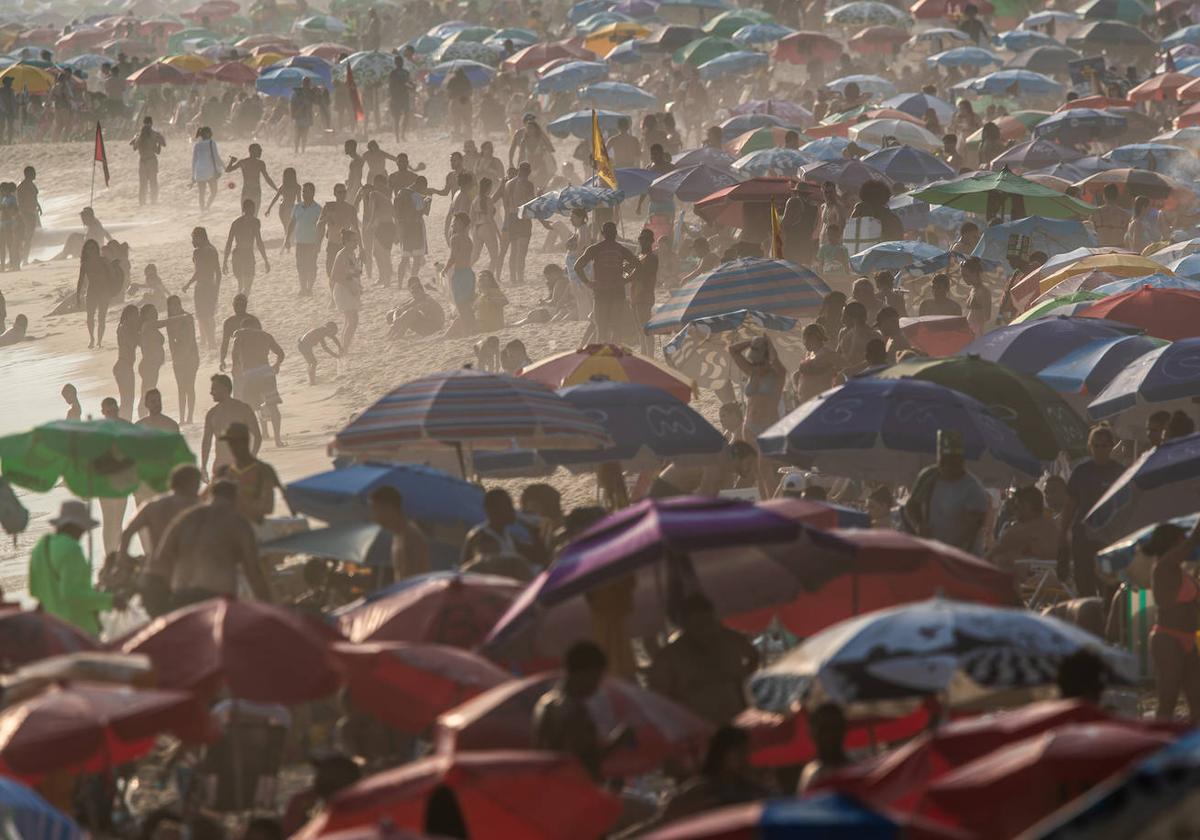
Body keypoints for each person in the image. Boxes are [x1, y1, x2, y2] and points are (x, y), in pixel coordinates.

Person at [152, 478, 271, 607]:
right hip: (217, 598)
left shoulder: (186, 517)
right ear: (235, 498)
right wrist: (269, 606)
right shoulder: (237, 522)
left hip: (181, 595)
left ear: (211, 495)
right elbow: (253, 571)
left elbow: (161, 556)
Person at [648, 594, 759, 725]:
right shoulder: (670, 657)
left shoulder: (732, 640)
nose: (705, 630)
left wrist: (742, 677)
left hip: (739, 726)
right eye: (698, 624)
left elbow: (755, 658)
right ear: (686, 625)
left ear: (714, 618)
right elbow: (658, 698)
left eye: (708, 621)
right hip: (697, 731)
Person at [533, 640, 630, 781]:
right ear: (582, 673)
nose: (597, 685)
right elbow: (587, 759)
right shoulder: (574, 711)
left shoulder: (545, 702)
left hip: (549, 784)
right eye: (595, 677)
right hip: (571, 788)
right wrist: (619, 739)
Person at [120, 465, 203, 616]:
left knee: (158, 626)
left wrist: (125, 558)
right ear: (190, 484)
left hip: (154, 576)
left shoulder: (152, 505)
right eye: (197, 485)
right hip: (186, 579)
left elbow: (127, 533)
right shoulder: (197, 506)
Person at [28, 500, 116, 635]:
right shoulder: (72, 549)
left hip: (50, 628)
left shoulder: (41, 547)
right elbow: (73, 595)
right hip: (78, 629)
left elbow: (33, 590)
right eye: (82, 529)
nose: (83, 533)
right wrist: (110, 600)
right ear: (75, 527)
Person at [1143, 521, 1200, 721]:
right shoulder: (1164, 566)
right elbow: (1194, 539)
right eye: (1181, 539)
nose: (1186, 542)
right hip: (1168, 639)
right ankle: (1160, 745)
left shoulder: (1179, 571)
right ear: (1174, 542)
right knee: (1169, 699)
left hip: (1188, 638)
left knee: (1197, 701)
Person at [1060, 425, 1125, 597]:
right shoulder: (1081, 472)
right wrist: (1062, 535)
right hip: (1083, 536)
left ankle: (1107, 620)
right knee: (1084, 585)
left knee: (1109, 587)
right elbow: (1069, 506)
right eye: (1096, 446)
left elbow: (1127, 506)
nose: (1100, 450)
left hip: (1109, 538)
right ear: (1090, 447)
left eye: (1104, 446)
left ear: (1111, 447)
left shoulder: (1119, 472)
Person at [903, 430, 990, 554]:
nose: (948, 467)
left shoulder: (973, 489)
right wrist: (918, 525)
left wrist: (951, 550)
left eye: (954, 463)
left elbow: (973, 528)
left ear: (962, 463)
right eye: (944, 462)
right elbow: (912, 505)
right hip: (933, 551)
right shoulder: (928, 476)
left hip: (963, 554)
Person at [730, 336, 786, 497]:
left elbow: (777, 363)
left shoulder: (778, 374)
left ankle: (774, 504)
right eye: (755, 361)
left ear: (767, 358)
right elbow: (733, 350)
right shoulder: (752, 371)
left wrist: (768, 343)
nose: (757, 365)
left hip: (768, 426)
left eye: (760, 362)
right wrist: (752, 342)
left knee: (765, 468)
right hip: (749, 426)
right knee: (757, 471)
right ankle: (766, 504)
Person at [574, 221, 638, 343]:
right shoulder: (621, 249)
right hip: (616, 292)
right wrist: (626, 279)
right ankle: (614, 356)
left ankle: (602, 358)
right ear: (616, 233)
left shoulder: (595, 249)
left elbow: (577, 266)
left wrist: (587, 282)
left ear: (602, 234)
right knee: (616, 328)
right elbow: (638, 266)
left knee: (601, 329)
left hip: (601, 293)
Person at [213, 421, 284, 525]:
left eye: (235, 442)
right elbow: (208, 502)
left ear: (245, 442)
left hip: (254, 528)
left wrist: (236, 501)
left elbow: (268, 507)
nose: (232, 447)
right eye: (230, 443)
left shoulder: (263, 470)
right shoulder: (223, 472)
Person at [461, 488, 541, 580]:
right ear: (493, 511)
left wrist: (533, 530)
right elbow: (483, 563)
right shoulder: (481, 536)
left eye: (511, 506)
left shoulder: (507, 536)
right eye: (507, 506)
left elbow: (538, 557)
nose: (512, 511)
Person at [231, 316, 285, 447]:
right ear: (256, 325)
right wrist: (276, 365)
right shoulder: (265, 336)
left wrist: (237, 372)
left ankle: (252, 441)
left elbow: (234, 359)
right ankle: (277, 440)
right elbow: (280, 353)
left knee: (252, 407)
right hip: (266, 373)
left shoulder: (239, 337)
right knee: (272, 406)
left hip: (250, 375)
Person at [201, 374, 261, 479]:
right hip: (220, 466)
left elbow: (257, 436)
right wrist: (203, 467)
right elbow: (206, 442)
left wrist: (252, 457)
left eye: (214, 389)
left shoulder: (243, 409)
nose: (211, 393)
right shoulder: (212, 414)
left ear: (225, 389)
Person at [987, 485, 1059, 573]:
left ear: (1025, 506)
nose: (1014, 510)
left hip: (1024, 580)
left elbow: (991, 555)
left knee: (1001, 558)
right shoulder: (1054, 526)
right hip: (1051, 576)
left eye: (1017, 506)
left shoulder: (1020, 530)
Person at [650, 441, 758, 498]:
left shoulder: (725, 468)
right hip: (664, 490)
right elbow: (705, 496)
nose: (750, 468)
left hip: (674, 491)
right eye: (748, 463)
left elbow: (713, 495)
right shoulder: (718, 461)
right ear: (738, 458)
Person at [369, 485, 431, 582]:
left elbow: (418, 578)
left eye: (376, 509)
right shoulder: (397, 535)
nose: (374, 516)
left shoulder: (412, 536)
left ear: (389, 508)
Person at [182, 227, 222, 348]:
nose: (192, 241)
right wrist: (216, 289)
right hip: (211, 286)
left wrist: (188, 284)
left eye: (193, 238)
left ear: (199, 237)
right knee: (209, 315)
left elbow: (198, 272)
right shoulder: (213, 250)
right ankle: (209, 340)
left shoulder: (198, 252)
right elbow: (218, 273)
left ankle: (209, 342)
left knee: (202, 316)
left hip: (201, 287)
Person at [797, 704, 850, 792]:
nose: (829, 735)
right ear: (813, 733)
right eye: (824, 729)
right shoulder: (811, 774)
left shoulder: (853, 771)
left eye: (834, 728)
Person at [76, 239, 119, 349]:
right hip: (91, 292)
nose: (91, 250)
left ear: (96, 249)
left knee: (101, 318)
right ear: (85, 250)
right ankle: (92, 338)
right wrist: (78, 295)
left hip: (104, 291)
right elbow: (80, 280)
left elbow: (113, 275)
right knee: (90, 317)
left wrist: (113, 290)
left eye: (93, 248)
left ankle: (99, 341)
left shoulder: (103, 261)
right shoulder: (84, 264)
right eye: (88, 248)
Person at [223, 199, 271, 297]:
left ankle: (241, 303)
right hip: (244, 255)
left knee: (243, 285)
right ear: (245, 209)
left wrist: (225, 261)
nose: (253, 211)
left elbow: (229, 243)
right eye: (251, 209)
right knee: (245, 285)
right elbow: (259, 241)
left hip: (240, 254)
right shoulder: (254, 222)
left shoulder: (237, 222)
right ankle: (241, 304)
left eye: (253, 209)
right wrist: (265, 260)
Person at [164, 295, 200, 424]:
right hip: (178, 358)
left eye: (176, 304)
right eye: (171, 305)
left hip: (191, 356)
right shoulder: (170, 320)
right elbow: (171, 342)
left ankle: (189, 417)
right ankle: (181, 418)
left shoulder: (187, 318)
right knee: (180, 388)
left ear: (179, 305)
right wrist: (175, 357)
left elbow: (190, 340)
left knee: (189, 387)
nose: (173, 307)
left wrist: (182, 357)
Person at [284, 182, 322, 297]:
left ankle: (309, 288)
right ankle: (303, 288)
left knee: (312, 267)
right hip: (300, 242)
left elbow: (321, 227)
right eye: (303, 191)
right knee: (300, 266)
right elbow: (292, 223)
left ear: (313, 193)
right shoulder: (297, 207)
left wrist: (319, 243)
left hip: (312, 243)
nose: (304, 194)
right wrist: (287, 239)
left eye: (307, 191)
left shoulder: (318, 209)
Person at [329, 229, 363, 351]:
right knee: (353, 320)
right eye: (354, 241)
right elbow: (334, 276)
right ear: (347, 242)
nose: (357, 243)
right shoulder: (342, 254)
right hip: (343, 291)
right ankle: (344, 348)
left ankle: (343, 347)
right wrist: (350, 286)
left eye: (356, 240)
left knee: (350, 320)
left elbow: (352, 272)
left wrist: (358, 284)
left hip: (350, 289)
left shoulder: (351, 254)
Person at [443, 212, 476, 332]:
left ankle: (467, 329)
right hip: (469, 273)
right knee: (467, 304)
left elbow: (453, 257)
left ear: (462, 224)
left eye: (456, 222)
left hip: (460, 274)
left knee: (461, 305)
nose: (453, 224)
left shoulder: (455, 238)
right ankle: (472, 327)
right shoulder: (468, 239)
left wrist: (444, 270)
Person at [794, 323, 842, 403]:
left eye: (805, 339)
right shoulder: (810, 354)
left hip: (822, 399)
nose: (804, 342)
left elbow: (844, 367)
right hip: (808, 401)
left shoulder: (827, 353)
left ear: (813, 338)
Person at [629, 228, 658, 355]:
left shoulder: (652, 258)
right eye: (641, 239)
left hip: (644, 296)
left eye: (646, 239)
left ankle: (649, 356)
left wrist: (631, 271)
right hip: (636, 295)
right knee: (640, 330)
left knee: (645, 330)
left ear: (651, 241)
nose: (643, 242)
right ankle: (645, 355)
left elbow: (643, 275)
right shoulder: (640, 256)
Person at [137, 304, 166, 417]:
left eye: (155, 310)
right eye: (152, 311)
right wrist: (182, 317)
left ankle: (144, 417)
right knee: (146, 395)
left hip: (152, 365)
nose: (155, 313)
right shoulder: (148, 325)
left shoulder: (149, 326)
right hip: (148, 365)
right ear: (145, 315)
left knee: (147, 393)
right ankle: (142, 418)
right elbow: (165, 323)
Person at [130, 116, 166, 206]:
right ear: (151, 123)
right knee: (153, 183)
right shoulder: (155, 134)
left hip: (142, 161)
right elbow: (163, 145)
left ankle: (142, 203)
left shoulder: (139, 135)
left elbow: (133, 147)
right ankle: (153, 202)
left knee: (143, 184)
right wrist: (158, 145)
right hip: (151, 161)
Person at [112, 305, 139, 418]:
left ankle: (124, 424)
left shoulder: (123, 327)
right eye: (135, 315)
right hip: (124, 366)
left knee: (127, 400)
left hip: (124, 366)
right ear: (128, 316)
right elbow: (133, 342)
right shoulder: (125, 328)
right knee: (127, 400)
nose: (136, 318)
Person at [190, 126, 223, 211]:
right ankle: (207, 207)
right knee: (214, 191)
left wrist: (193, 176)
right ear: (208, 133)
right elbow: (216, 157)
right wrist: (223, 166)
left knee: (201, 193)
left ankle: (202, 210)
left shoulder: (197, 145)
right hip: (209, 171)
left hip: (199, 171)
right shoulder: (212, 143)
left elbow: (194, 161)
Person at [1094, 184, 1129, 248]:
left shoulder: (1096, 212)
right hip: (1119, 248)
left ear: (1104, 196)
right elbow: (1126, 232)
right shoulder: (1125, 214)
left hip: (1102, 248)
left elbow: (1093, 231)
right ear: (1117, 196)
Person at [388, 55, 412, 141]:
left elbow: (409, 82)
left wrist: (412, 86)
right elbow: (391, 86)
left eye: (401, 62)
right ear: (395, 63)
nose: (400, 63)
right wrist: (392, 97)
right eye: (398, 62)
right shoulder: (393, 73)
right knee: (396, 118)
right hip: (396, 97)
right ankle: (397, 136)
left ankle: (402, 134)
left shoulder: (406, 72)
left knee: (407, 115)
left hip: (404, 96)